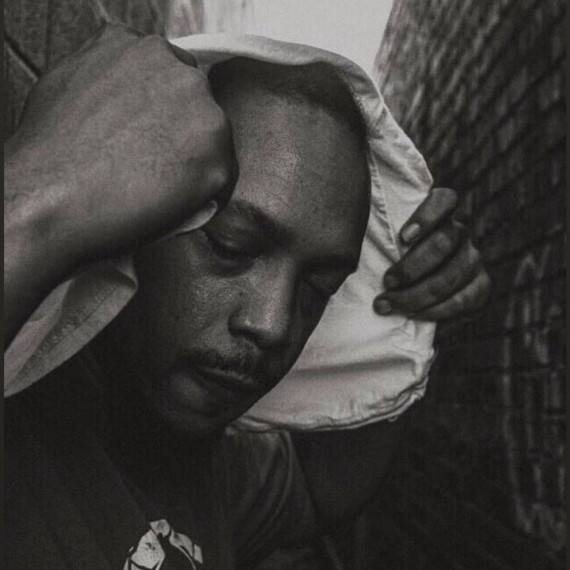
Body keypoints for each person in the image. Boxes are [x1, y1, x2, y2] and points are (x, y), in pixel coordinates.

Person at [4, 25, 490, 569]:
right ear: (130, 224)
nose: (274, 324)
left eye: (319, 287)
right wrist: (35, 200)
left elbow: (318, 490)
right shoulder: (21, 430)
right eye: (231, 245)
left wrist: (414, 314)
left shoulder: (205, 468)